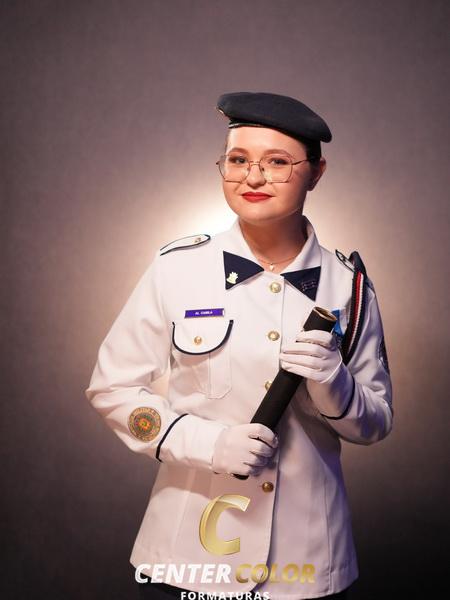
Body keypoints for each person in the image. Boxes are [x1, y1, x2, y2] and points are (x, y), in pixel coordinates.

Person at [85, 91, 393, 600]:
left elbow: (376, 421)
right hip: (187, 556)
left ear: (316, 173)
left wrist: (333, 383)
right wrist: (207, 443)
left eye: (277, 162)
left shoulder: (349, 286)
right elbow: (112, 389)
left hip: (306, 563)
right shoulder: (178, 267)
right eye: (238, 160)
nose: (253, 177)